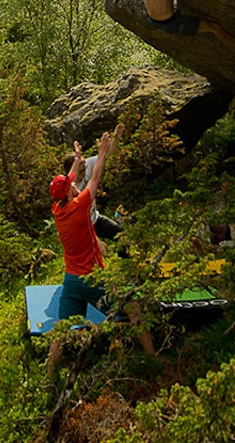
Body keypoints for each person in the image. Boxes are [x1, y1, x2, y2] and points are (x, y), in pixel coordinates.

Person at [48, 124, 154, 367]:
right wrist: (103, 153)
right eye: (72, 185)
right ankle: (152, 359)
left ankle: (49, 377)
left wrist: (77, 157)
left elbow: (72, 177)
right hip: (93, 278)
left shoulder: (57, 209)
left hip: (71, 280)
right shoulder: (80, 206)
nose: (75, 184)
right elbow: (94, 179)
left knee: (61, 332)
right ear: (69, 193)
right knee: (133, 310)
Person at [68, 140, 121, 241]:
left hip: (94, 218)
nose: (84, 173)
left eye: (85, 168)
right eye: (81, 171)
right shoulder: (67, 191)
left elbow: (105, 156)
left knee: (120, 235)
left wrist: (116, 136)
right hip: (81, 227)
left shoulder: (85, 164)